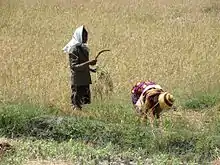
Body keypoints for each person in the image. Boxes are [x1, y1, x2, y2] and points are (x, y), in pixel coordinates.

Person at [63, 25, 97, 110]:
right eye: (84, 36)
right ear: (79, 36)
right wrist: (89, 63)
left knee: (85, 103)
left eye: (86, 36)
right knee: (77, 104)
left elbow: (82, 64)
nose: (86, 38)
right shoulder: (73, 49)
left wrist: (91, 69)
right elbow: (74, 67)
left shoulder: (84, 48)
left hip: (85, 80)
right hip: (78, 81)